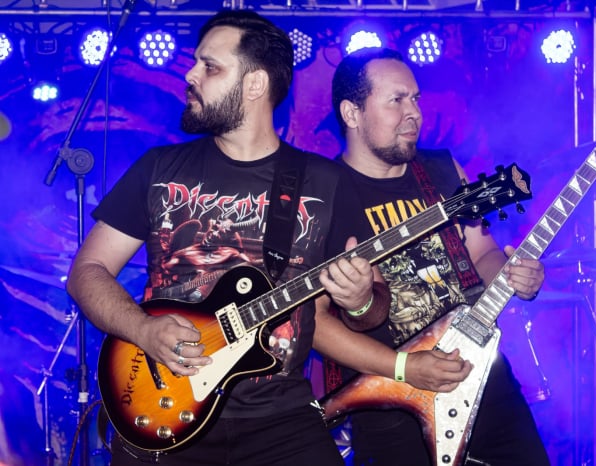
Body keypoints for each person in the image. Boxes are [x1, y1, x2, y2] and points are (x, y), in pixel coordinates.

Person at [66, 11, 397, 465]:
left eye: (210, 66)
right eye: (196, 63)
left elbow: (371, 308)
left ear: (255, 84)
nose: (190, 74)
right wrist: (143, 329)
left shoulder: (325, 181)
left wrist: (359, 301)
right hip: (162, 403)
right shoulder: (159, 168)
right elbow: (87, 271)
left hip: (281, 420)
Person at [318, 47, 551, 465]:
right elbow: (315, 325)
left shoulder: (444, 171)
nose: (414, 113)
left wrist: (514, 276)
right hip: (390, 402)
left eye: (415, 99)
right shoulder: (322, 197)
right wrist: (405, 367)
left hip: (482, 376)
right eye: (396, 100)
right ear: (352, 113)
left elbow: (483, 253)